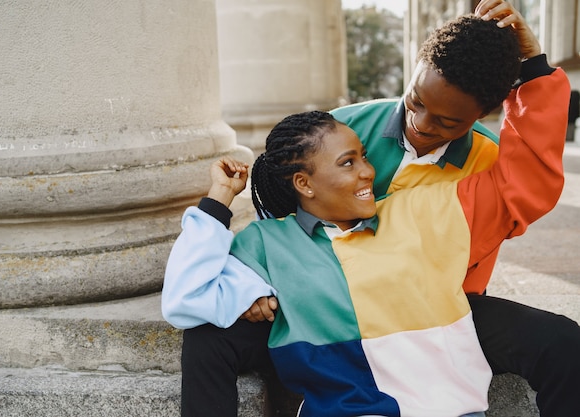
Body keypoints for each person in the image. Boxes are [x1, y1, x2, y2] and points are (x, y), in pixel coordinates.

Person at [169, 1, 580, 416]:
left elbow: (526, 183)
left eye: (447, 121)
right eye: (416, 100)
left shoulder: (488, 166)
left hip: (435, 296)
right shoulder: (341, 130)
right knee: (208, 335)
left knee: (561, 341)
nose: (420, 123)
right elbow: (282, 206)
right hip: (321, 297)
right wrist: (257, 286)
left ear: (481, 115)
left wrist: (535, 70)